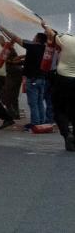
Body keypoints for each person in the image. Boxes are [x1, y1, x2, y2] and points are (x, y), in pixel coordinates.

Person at [0, 24, 50, 131]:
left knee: (33, 102)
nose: (32, 38)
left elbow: (15, 38)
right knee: (40, 101)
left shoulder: (33, 46)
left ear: (37, 39)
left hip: (33, 79)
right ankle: (41, 121)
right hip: (42, 79)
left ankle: (35, 123)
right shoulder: (45, 48)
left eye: (34, 37)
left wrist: (3, 28)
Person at [41, 22, 75, 151]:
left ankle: (67, 135)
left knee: (59, 109)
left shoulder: (66, 39)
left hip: (63, 79)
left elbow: (50, 33)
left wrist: (45, 25)